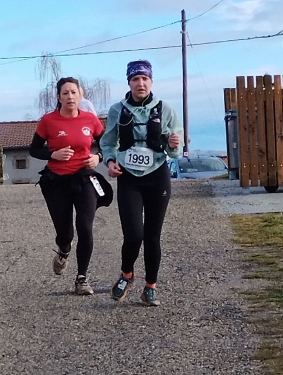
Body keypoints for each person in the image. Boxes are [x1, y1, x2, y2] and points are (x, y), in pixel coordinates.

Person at [100, 59, 183, 306]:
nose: (141, 83)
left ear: (151, 81)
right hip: (129, 178)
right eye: (135, 79)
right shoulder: (117, 110)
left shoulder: (165, 109)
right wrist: (110, 162)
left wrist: (174, 144)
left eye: (145, 78)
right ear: (129, 82)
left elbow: (176, 151)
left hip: (157, 176)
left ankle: (151, 287)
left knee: (152, 236)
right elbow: (107, 143)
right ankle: (127, 274)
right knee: (133, 234)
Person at [30, 77, 113, 295]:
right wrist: (52, 154)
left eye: (73, 92)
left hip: (84, 178)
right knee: (65, 232)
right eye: (65, 93)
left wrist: (99, 157)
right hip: (57, 180)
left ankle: (82, 278)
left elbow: (108, 145)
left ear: (80, 95)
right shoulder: (48, 121)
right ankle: (64, 250)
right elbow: (33, 150)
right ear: (58, 97)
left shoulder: (91, 119)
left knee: (85, 226)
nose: (70, 97)